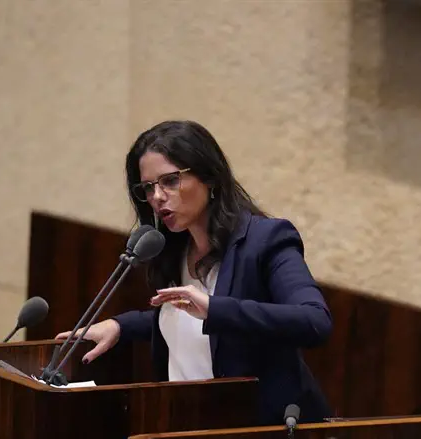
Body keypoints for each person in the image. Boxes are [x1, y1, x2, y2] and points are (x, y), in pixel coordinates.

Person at [55, 120, 333, 425]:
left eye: (170, 181)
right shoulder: (172, 249)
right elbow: (186, 320)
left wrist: (215, 309)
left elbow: (314, 321)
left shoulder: (266, 240)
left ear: (209, 177)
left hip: (254, 428)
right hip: (186, 425)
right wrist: (120, 327)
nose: (157, 196)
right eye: (148, 187)